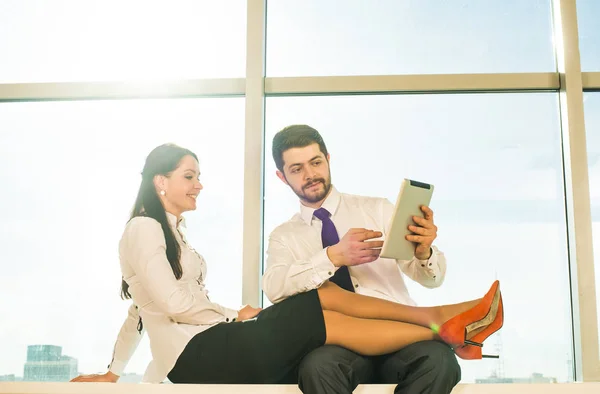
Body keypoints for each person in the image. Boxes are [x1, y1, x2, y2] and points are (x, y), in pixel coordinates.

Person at [71, 143, 503, 385]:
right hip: (202, 351)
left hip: (208, 343)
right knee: (314, 298)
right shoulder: (145, 229)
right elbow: (165, 303)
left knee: (325, 294)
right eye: (190, 176)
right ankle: (443, 320)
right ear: (160, 182)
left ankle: (440, 320)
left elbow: (138, 311)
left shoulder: (166, 232)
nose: (199, 184)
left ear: (329, 159)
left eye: (315, 162)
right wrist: (232, 315)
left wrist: (113, 372)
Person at [262, 124, 461, 393]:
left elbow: (431, 280)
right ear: (282, 177)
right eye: (297, 169)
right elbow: (274, 287)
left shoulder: (376, 209)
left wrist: (423, 251)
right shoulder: (283, 237)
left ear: (328, 160)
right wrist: (332, 257)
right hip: (337, 346)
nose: (310, 175)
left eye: (316, 162)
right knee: (316, 368)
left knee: (441, 361)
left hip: (400, 334)